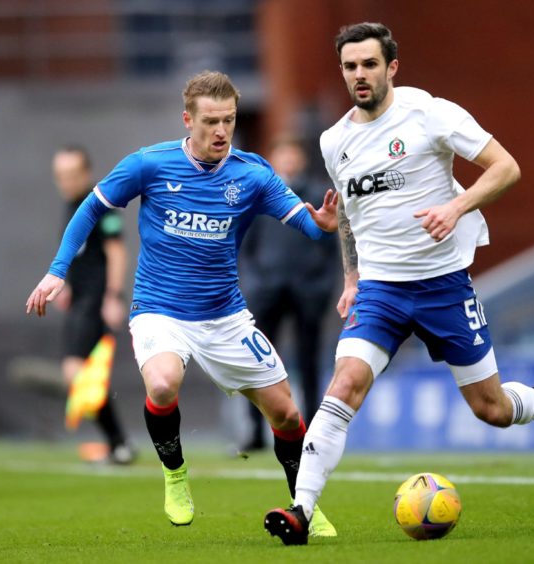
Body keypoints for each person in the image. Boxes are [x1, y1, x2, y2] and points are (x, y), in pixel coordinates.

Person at [264, 22, 534, 545]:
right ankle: (301, 510)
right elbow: (348, 212)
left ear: (391, 67)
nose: (359, 75)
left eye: (369, 64)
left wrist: (456, 206)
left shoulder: (430, 113)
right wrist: (351, 277)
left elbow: (506, 167)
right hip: (381, 291)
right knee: (344, 383)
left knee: (492, 410)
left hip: (443, 285)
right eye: (350, 66)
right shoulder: (334, 140)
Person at [26, 70, 338, 536]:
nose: (221, 131)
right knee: (163, 384)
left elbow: (307, 226)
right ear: (187, 119)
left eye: (229, 120)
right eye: (211, 121)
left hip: (226, 316)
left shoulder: (252, 174)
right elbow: (91, 207)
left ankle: (305, 506)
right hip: (159, 309)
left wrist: (325, 225)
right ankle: (175, 474)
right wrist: (57, 270)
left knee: (288, 414)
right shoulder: (149, 164)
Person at [239, 136, 339, 451]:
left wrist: (321, 288)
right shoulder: (258, 198)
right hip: (266, 291)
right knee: (257, 363)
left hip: (307, 292)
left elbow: (332, 248)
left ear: (301, 160)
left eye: (292, 156)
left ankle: (310, 431)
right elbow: (244, 246)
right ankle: (255, 432)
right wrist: (255, 282)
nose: (288, 163)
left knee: (309, 363)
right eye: (282, 156)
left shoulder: (318, 197)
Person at [51, 146, 134, 464]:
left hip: (96, 301)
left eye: (72, 175)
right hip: (80, 299)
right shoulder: (71, 206)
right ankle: (118, 443)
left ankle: (119, 442)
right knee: (81, 374)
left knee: (77, 372)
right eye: (61, 176)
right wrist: (69, 285)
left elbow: (116, 252)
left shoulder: (102, 207)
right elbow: (81, 254)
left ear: (86, 173)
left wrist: (113, 296)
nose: (66, 181)